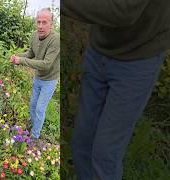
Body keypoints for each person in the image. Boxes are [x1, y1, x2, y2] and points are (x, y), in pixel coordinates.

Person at [63, 1, 170, 179]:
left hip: (138, 59)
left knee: (105, 155)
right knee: (82, 144)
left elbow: (123, 11)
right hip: (99, 50)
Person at [10, 8, 60, 139]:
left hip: (49, 80)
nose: (40, 26)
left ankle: (35, 137)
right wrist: (16, 56)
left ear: (51, 24)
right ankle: (34, 127)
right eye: (38, 22)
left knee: (39, 109)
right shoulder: (34, 35)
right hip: (38, 78)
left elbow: (46, 64)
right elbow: (31, 54)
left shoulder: (56, 40)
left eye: (44, 22)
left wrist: (22, 60)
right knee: (32, 105)